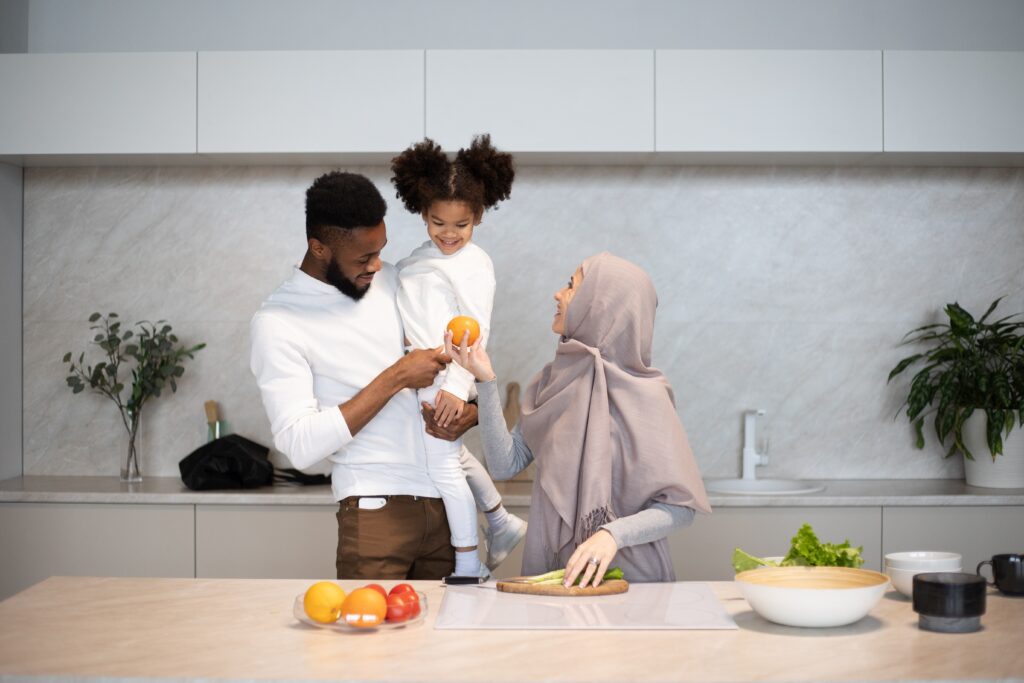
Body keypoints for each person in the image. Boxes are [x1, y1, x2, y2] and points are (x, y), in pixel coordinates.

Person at [250, 170, 479, 580]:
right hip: (374, 514)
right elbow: (299, 446)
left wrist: (469, 409)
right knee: (370, 645)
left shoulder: (393, 279)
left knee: (448, 643)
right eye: (362, 258)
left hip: (446, 506)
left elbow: (449, 364)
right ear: (318, 248)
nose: (376, 266)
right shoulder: (278, 321)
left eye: (380, 251)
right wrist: (395, 377)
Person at [445, 252, 712, 587]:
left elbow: (679, 510)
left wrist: (611, 535)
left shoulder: (648, 395)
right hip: (556, 578)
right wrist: (485, 381)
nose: (557, 294)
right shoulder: (551, 380)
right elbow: (504, 464)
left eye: (571, 286)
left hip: (632, 585)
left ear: (600, 305)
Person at [391, 135, 527, 577]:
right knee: (451, 457)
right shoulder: (417, 259)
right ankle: (500, 520)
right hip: (421, 374)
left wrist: (454, 387)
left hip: (445, 375)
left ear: (479, 217)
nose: (449, 235)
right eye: (438, 222)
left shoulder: (473, 263)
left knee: (444, 469)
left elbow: (475, 326)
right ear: (422, 214)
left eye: (461, 225)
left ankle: (470, 565)